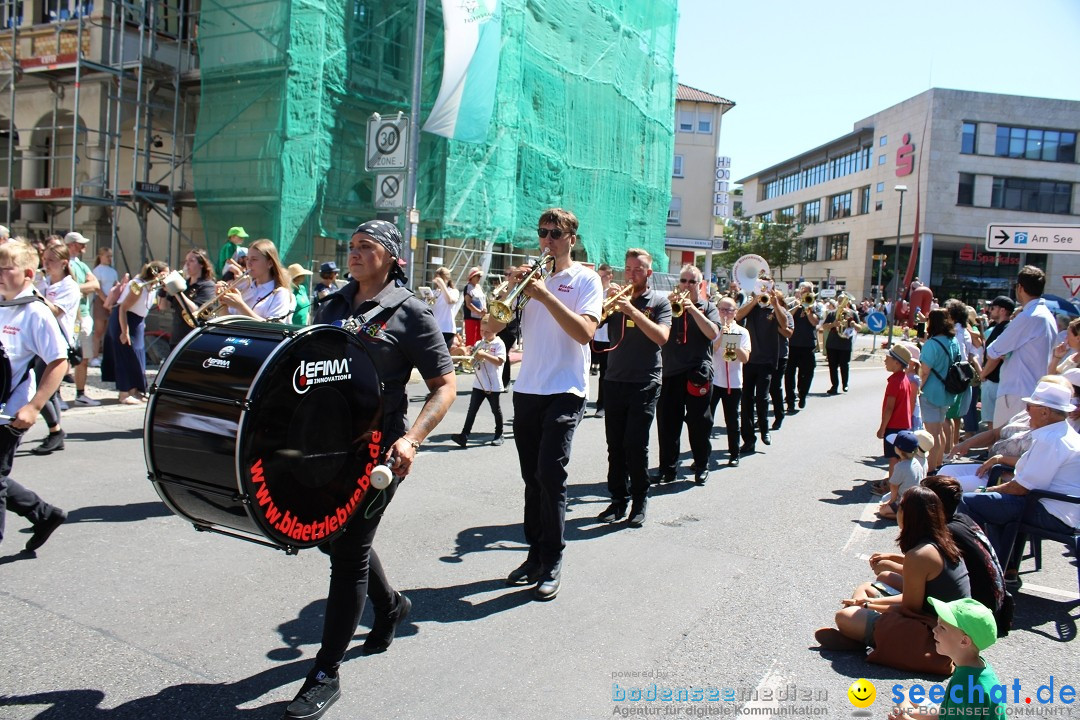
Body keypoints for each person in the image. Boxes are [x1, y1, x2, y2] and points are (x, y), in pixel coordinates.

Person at [282, 220, 455, 720]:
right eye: (351, 246)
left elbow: (445, 386)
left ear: (391, 256)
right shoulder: (330, 305)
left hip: (380, 451)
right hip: (324, 446)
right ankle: (392, 605)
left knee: (350, 550)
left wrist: (412, 439)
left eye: (366, 247)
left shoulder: (412, 313)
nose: (354, 254)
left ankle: (325, 672)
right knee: (329, 537)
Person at [505, 208, 602, 600]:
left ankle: (553, 557)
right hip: (528, 387)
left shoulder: (585, 279)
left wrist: (544, 295)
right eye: (543, 232)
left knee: (550, 474)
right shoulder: (530, 281)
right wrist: (507, 295)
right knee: (532, 478)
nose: (547, 240)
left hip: (566, 389)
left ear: (571, 240)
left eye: (555, 234)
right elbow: (494, 326)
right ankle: (534, 554)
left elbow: (584, 332)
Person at [815, 486, 970, 651]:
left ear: (908, 515)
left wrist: (869, 605)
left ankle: (858, 638)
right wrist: (868, 602)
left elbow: (909, 609)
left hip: (937, 632)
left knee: (844, 617)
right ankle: (858, 633)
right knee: (871, 585)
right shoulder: (942, 540)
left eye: (900, 506)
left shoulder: (919, 555)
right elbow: (916, 596)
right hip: (949, 623)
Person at [958, 379, 1080, 578]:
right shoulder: (1060, 433)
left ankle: (981, 569)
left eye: (1030, 406)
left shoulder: (1051, 439)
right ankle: (1001, 566)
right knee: (992, 505)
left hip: (1051, 512)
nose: (1026, 410)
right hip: (1058, 508)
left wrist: (984, 491)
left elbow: (1021, 488)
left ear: (1045, 412)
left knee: (969, 501)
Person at [0, 241, 69, 551]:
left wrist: (34, 406)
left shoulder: (35, 312)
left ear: (27, 273)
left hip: (11, 412)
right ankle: (43, 514)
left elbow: (58, 361)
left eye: (5, 269)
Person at [596, 248, 670, 526]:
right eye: (628, 269)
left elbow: (661, 337)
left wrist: (631, 311)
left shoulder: (659, 302)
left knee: (635, 445)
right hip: (615, 379)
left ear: (649, 273)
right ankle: (617, 500)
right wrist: (606, 301)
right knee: (614, 446)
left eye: (637, 269)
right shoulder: (617, 299)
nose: (631, 274)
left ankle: (640, 500)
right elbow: (593, 323)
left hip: (645, 381)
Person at [889, 597, 1006, 720]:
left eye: (942, 628)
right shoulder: (974, 666)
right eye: (938, 624)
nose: (934, 630)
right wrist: (911, 715)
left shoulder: (966, 684)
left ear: (964, 641)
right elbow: (946, 712)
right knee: (906, 696)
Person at [655, 264, 719, 484]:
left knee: (699, 424)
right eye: (684, 281)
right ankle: (667, 468)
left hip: (697, 372)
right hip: (670, 371)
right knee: (667, 424)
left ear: (699, 285)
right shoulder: (667, 305)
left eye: (692, 282)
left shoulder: (708, 306)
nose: (687, 285)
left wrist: (692, 308)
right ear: (678, 283)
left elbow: (713, 333)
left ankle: (701, 465)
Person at [980, 266, 1056, 428]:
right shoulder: (1047, 316)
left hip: (1016, 392)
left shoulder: (1029, 316)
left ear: (1020, 288)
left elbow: (994, 351)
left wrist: (983, 373)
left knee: (1005, 445)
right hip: (1031, 390)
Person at [29, 243, 81, 454]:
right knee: (44, 391)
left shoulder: (69, 287)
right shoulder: (45, 282)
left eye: (50, 261)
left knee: (42, 391)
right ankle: (55, 431)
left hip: (55, 345)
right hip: (37, 342)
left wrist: (32, 290)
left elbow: (55, 311)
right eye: (44, 260)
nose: (46, 264)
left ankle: (56, 431)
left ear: (63, 263)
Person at [102, 261, 168, 404]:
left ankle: (135, 390)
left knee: (137, 355)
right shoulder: (138, 285)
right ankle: (124, 393)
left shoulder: (152, 287)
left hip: (137, 321)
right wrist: (124, 331)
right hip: (124, 320)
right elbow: (123, 308)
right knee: (125, 354)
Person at [735, 287, 792, 452]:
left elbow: (785, 325)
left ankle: (765, 430)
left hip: (767, 360)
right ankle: (749, 439)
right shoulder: (752, 308)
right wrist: (754, 300)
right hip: (748, 359)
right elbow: (738, 315)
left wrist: (775, 305)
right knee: (746, 401)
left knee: (762, 398)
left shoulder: (777, 309)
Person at [450, 314, 506, 447]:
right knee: (472, 410)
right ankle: (464, 435)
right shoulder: (478, 343)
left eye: (487, 331)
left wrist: (484, 355)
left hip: (493, 384)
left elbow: (500, 361)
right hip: (479, 383)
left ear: (495, 330)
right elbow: (474, 361)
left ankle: (499, 433)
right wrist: (471, 356)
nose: (484, 334)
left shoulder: (499, 343)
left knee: (495, 410)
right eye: (482, 331)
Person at [920, 309, 962, 473]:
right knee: (939, 430)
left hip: (931, 391)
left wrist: (918, 389)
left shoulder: (932, 344)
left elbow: (924, 371)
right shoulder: (954, 341)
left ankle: (931, 470)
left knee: (932, 435)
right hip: (948, 391)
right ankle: (938, 465)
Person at [711, 296, 751, 466]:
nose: (725, 313)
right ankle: (702, 455)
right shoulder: (712, 328)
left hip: (733, 383)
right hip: (714, 381)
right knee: (706, 420)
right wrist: (722, 336)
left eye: (729, 310)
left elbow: (745, 358)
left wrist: (732, 341)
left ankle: (734, 454)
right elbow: (710, 349)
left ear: (735, 313)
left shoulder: (742, 332)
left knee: (732, 420)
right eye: (722, 309)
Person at [63, 232, 101, 406]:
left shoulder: (81, 265)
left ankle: (80, 394)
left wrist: (75, 288)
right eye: (80, 244)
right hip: (68, 316)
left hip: (83, 315)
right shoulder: (64, 264)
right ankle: (55, 396)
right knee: (62, 358)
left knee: (83, 358)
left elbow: (95, 284)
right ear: (71, 245)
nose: (84, 247)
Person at [218, 239, 293, 322]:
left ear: (270, 263)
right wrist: (223, 302)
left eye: (254, 259)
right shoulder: (244, 286)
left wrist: (240, 305)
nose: (248, 264)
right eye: (247, 259)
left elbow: (274, 328)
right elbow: (226, 322)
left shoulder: (280, 293)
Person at [157, 248, 218, 347]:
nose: (187, 264)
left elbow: (195, 310)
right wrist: (163, 289)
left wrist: (176, 290)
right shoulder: (183, 284)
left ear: (201, 264)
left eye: (191, 261)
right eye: (186, 261)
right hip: (177, 338)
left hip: (195, 339)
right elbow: (163, 306)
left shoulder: (207, 285)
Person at [877, 344, 914, 483]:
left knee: (893, 458)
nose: (885, 361)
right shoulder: (904, 379)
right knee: (900, 458)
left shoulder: (894, 381)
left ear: (897, 362)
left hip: (894, 426)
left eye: (888, 358)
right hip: (903, 424)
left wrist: (882, 428)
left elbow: (889, 408)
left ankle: (892, 486)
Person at [980, 296, 1016, 430]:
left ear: (1002, 310)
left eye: (993, 308)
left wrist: (983, 374)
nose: (990, 311)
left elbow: (996, 356)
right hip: (997, 381)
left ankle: (992, 450)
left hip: (995, 381)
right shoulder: (1002, 327)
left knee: (993, 423)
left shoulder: (1004, 328)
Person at [785, 283, 819, 412]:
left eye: (807, 291)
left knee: (807, 374)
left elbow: (814, 322)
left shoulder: (815, 305)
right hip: (792, 344)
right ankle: (790, 400)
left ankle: (803, 394)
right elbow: (787, 318)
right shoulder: (793, 304)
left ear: (811, 293)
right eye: (802, 291)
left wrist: (808, 308)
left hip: (808, 345)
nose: (804, 293)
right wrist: (799, 305)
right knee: (789, 375)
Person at [878, 431, 925, 520]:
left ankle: (905, 517)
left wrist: (892, 501)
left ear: (898, 450)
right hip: (915, 498)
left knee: (882, 511)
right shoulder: (916, 462)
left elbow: (894, 486)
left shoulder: (900, 466)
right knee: (884, 502)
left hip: (904, 500)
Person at [590, 263, 613, 417]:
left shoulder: (613, 291)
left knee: (604, 374)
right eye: (598, 276)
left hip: (607, 338)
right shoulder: (594, 291)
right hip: (592, 336)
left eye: (603, 276)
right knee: (584, 370)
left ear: (610, 276)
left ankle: (602, 405)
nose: (600, 279)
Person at [90, 246, 119, 366]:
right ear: (101, 257)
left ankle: (107, 356)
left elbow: (115, 286)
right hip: (101, 301)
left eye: (111, 256)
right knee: (99, 330)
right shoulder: (97, 271)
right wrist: (106, 301)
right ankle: (94, 356)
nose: (109, 259)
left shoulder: (113, 271)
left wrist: (112, 301)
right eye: (107, 256)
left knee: (108, 331)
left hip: (111, 301)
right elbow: (98, 288)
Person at [823, 299, 855, 395]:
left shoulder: (852, 314)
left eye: (844, 301)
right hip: (832, 344)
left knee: (844, 366)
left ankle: (845, 384)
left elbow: (860, 327)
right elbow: (824, 326)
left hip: (845, 345)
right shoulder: (832, 314)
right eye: (840, 301)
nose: (842, 303)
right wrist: (833, 324)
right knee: (832, 367)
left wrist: (855, 324)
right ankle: (834, 386)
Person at [430, 266, 459, 349]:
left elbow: (449, 300)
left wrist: (442, 285)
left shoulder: (453, 291)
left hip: (447, 329)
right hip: (434, 328)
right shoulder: (434, 292)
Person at [462, 266, 486, 347]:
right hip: (471, 318)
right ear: (472, 277)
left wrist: (484, 309)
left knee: (480, 340)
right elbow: (468, 304)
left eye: (480, 276)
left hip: (480, 318)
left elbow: (483, 300)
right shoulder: (468, 287)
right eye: (477, 276)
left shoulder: (479, 287)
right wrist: (479, 312)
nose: (479, 278)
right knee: (471, 341)